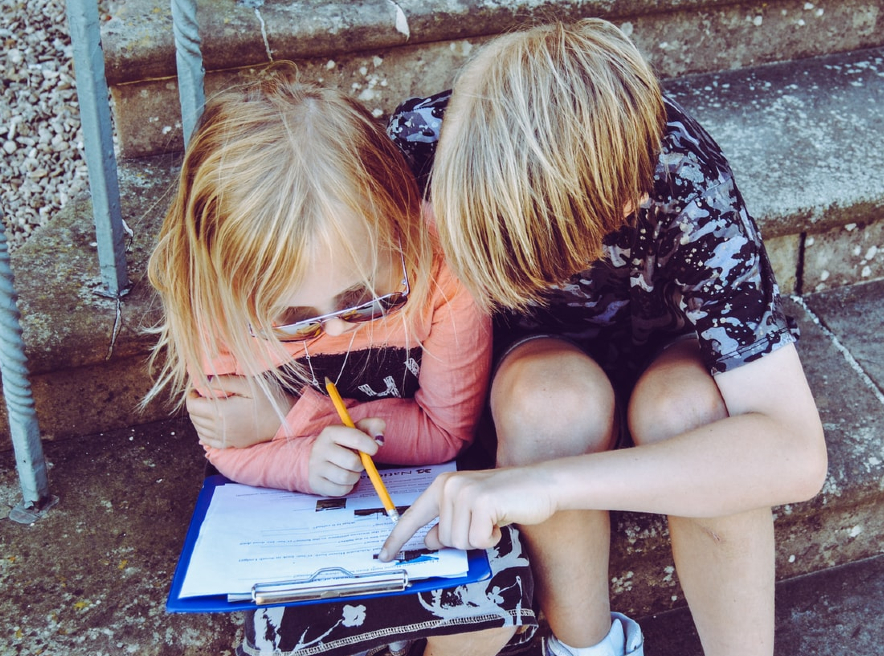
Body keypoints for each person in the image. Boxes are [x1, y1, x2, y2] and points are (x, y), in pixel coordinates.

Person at [381, 19, 828, 656]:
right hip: (530, 371)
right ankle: (585, 647)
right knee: (550, 401)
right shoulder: (421, 146)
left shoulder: (681, 178)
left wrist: (553, 483)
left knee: (690, 413)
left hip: (667, 357)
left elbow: (795, 452)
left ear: (623, 205)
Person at [144, 79, 536, 656]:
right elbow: (227, 447)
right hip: (301, 523)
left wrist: (291, 415)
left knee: (489, 600)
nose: (334, 331)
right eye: (294, 319)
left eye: (365, 298)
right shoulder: (215, 306)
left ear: (400, 228)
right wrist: (304, 459)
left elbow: (446, 432)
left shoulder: (443, 268)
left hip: (420, 500)